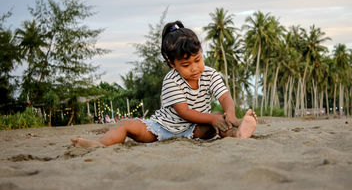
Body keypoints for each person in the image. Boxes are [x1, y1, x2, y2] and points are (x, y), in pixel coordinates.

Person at [71, 21, 257, 148]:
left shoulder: (210, 74)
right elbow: (183, 112)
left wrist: (230, 113)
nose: (194, 68)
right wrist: (211, 118)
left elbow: (225, 97)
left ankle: (237, 134)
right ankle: (100, 145)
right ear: (172, 63)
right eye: (186, 65)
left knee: (219, 120)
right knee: (127, 125)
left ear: (201, 53)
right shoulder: (171, 80)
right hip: (161, 128)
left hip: (193, 130)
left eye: (197, 60)